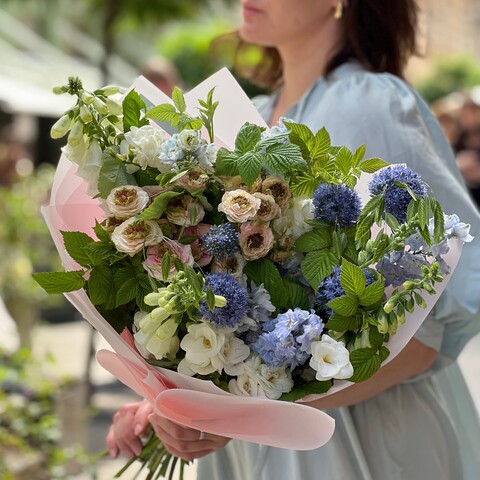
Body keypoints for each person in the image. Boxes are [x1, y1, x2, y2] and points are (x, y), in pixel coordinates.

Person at [107, 1, 480, 478]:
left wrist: (245, 415)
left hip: (359, 442)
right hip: (251, 440)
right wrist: (172, 404)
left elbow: (432, 322)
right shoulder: (249, 116)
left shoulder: (370, 101)